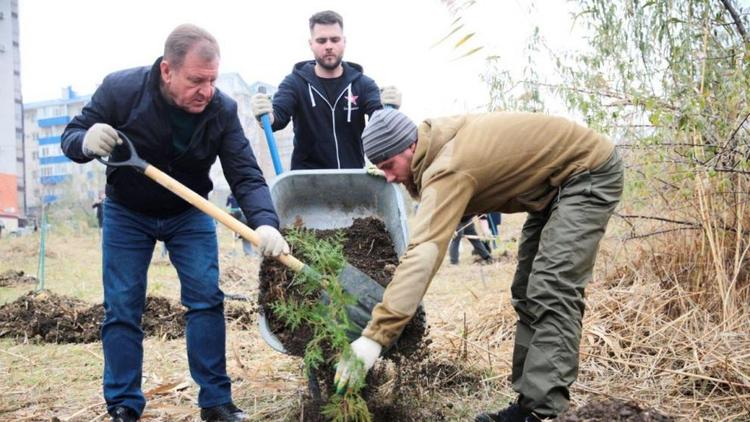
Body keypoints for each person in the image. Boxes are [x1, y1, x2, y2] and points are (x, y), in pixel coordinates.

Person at [61, 24, 289, 422]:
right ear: (168, 71)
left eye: (213, 80)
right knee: (123, 307)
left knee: (205, 301)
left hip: (189, 213)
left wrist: (265, 222)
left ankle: (216, 402)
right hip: (127, 212)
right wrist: (85, 140)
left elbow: (245, 174)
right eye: (197, 80)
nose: (207, 90)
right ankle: (123, 404)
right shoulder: (121, 90)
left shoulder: (221, 110)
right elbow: (73, 134)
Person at [334, 109, 624, 421]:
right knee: (527, 291)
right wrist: (399, 173)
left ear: (411, 147)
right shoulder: (435, 142)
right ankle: (529, 404)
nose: (389, 177)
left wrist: (375, 336)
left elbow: (424, 254)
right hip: (553, 188)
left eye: (389, 165)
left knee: (553, 289)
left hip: (587, 173)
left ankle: (542, 413)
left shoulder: (449, 166)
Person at [250, 10, 402, 170]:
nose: (329, 46)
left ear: (344, 41)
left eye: (334, 39)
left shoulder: (363, 84)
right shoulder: (294, 83)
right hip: (307, 184)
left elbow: (380, 120)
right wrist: (265, 115)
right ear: (311, 44)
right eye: (321, 40)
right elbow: (277, 118)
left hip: (352, 182)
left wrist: (390, 110)